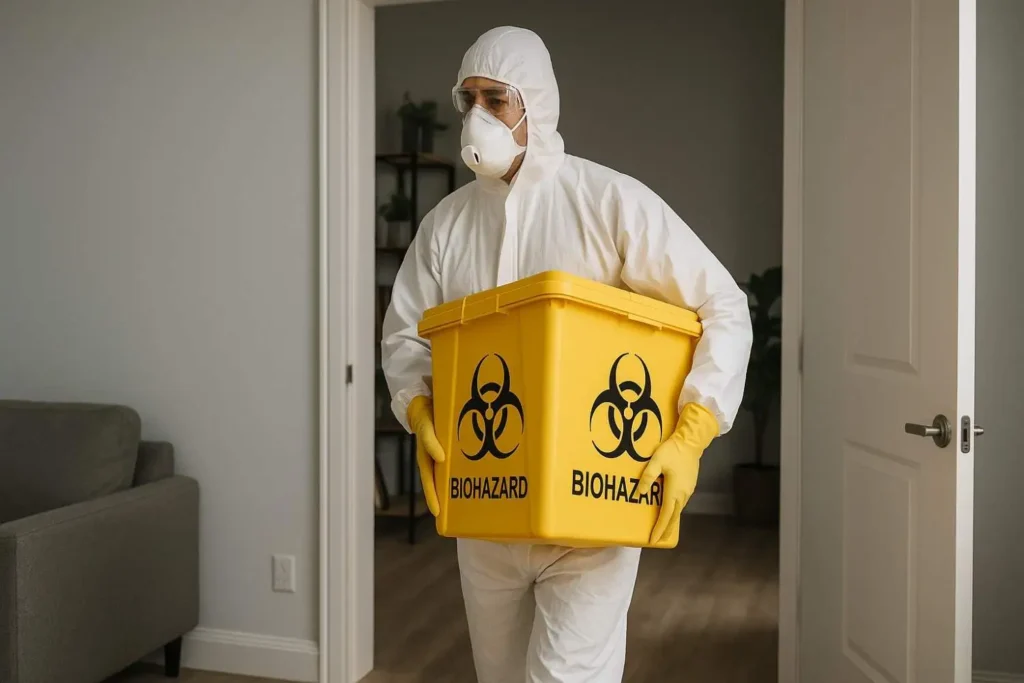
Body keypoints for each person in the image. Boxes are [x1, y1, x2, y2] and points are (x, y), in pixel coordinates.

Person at [381, 26, 753, 683]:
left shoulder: (608, 201)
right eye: (466, 99)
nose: (476, 115)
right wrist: (418, 406)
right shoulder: (447, 225)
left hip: (593, 511)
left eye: (496, 98)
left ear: (537, 103)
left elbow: (723, 304)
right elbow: (405, 333)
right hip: (487, 504)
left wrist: (692, 431)